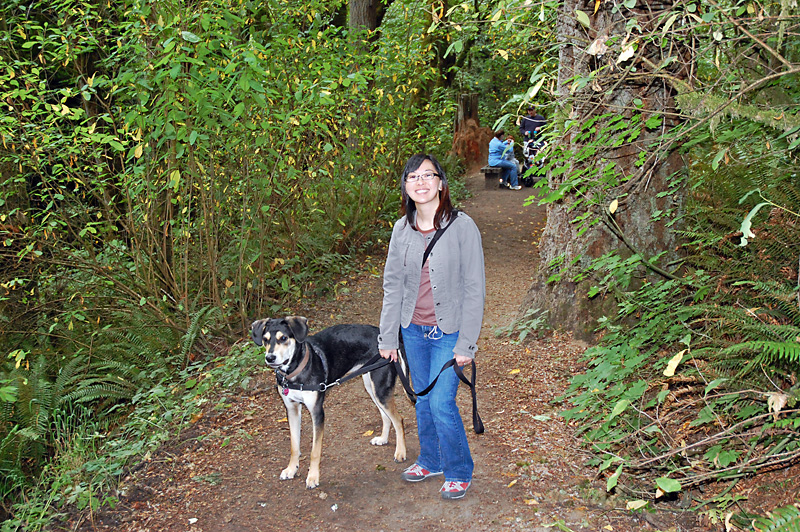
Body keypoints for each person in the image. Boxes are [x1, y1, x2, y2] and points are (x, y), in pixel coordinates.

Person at [378, 153, 486, 501]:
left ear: (441, 183)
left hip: (449, 332)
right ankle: (431, 459)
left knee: (441, 403)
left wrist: (466, 344)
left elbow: (474, 289)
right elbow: (393, 285)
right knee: (421, 399)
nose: (421, 182)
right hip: (412, 330)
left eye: (428, 175)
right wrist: (387, 335)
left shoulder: (462, 227)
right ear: (406, 187)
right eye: (413, 177)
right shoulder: (401, 229)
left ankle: (458, 470)